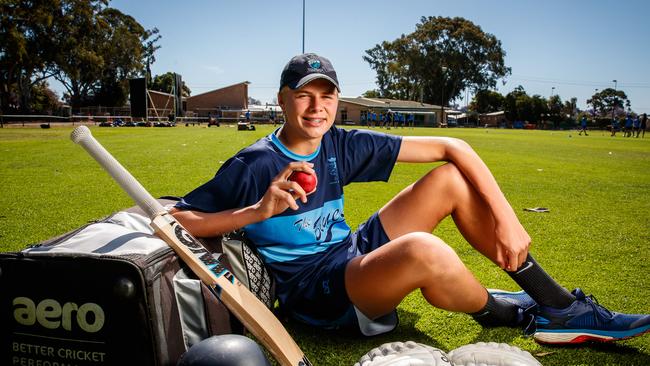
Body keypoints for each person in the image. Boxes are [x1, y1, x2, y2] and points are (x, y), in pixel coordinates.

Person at [171, 53, 650, 345]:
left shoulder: (339, 142)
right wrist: (256, 212)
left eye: (327, 96)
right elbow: (175, 219)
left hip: (349, 254)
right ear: (282, 100)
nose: (317, 107)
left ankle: (556, 305)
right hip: (317, 296)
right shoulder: (254, 164)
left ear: (338, 99)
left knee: (450, 181)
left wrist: (507, 219)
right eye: (304, 96)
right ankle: (513, 313)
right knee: (426, 251)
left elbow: (454, 148)